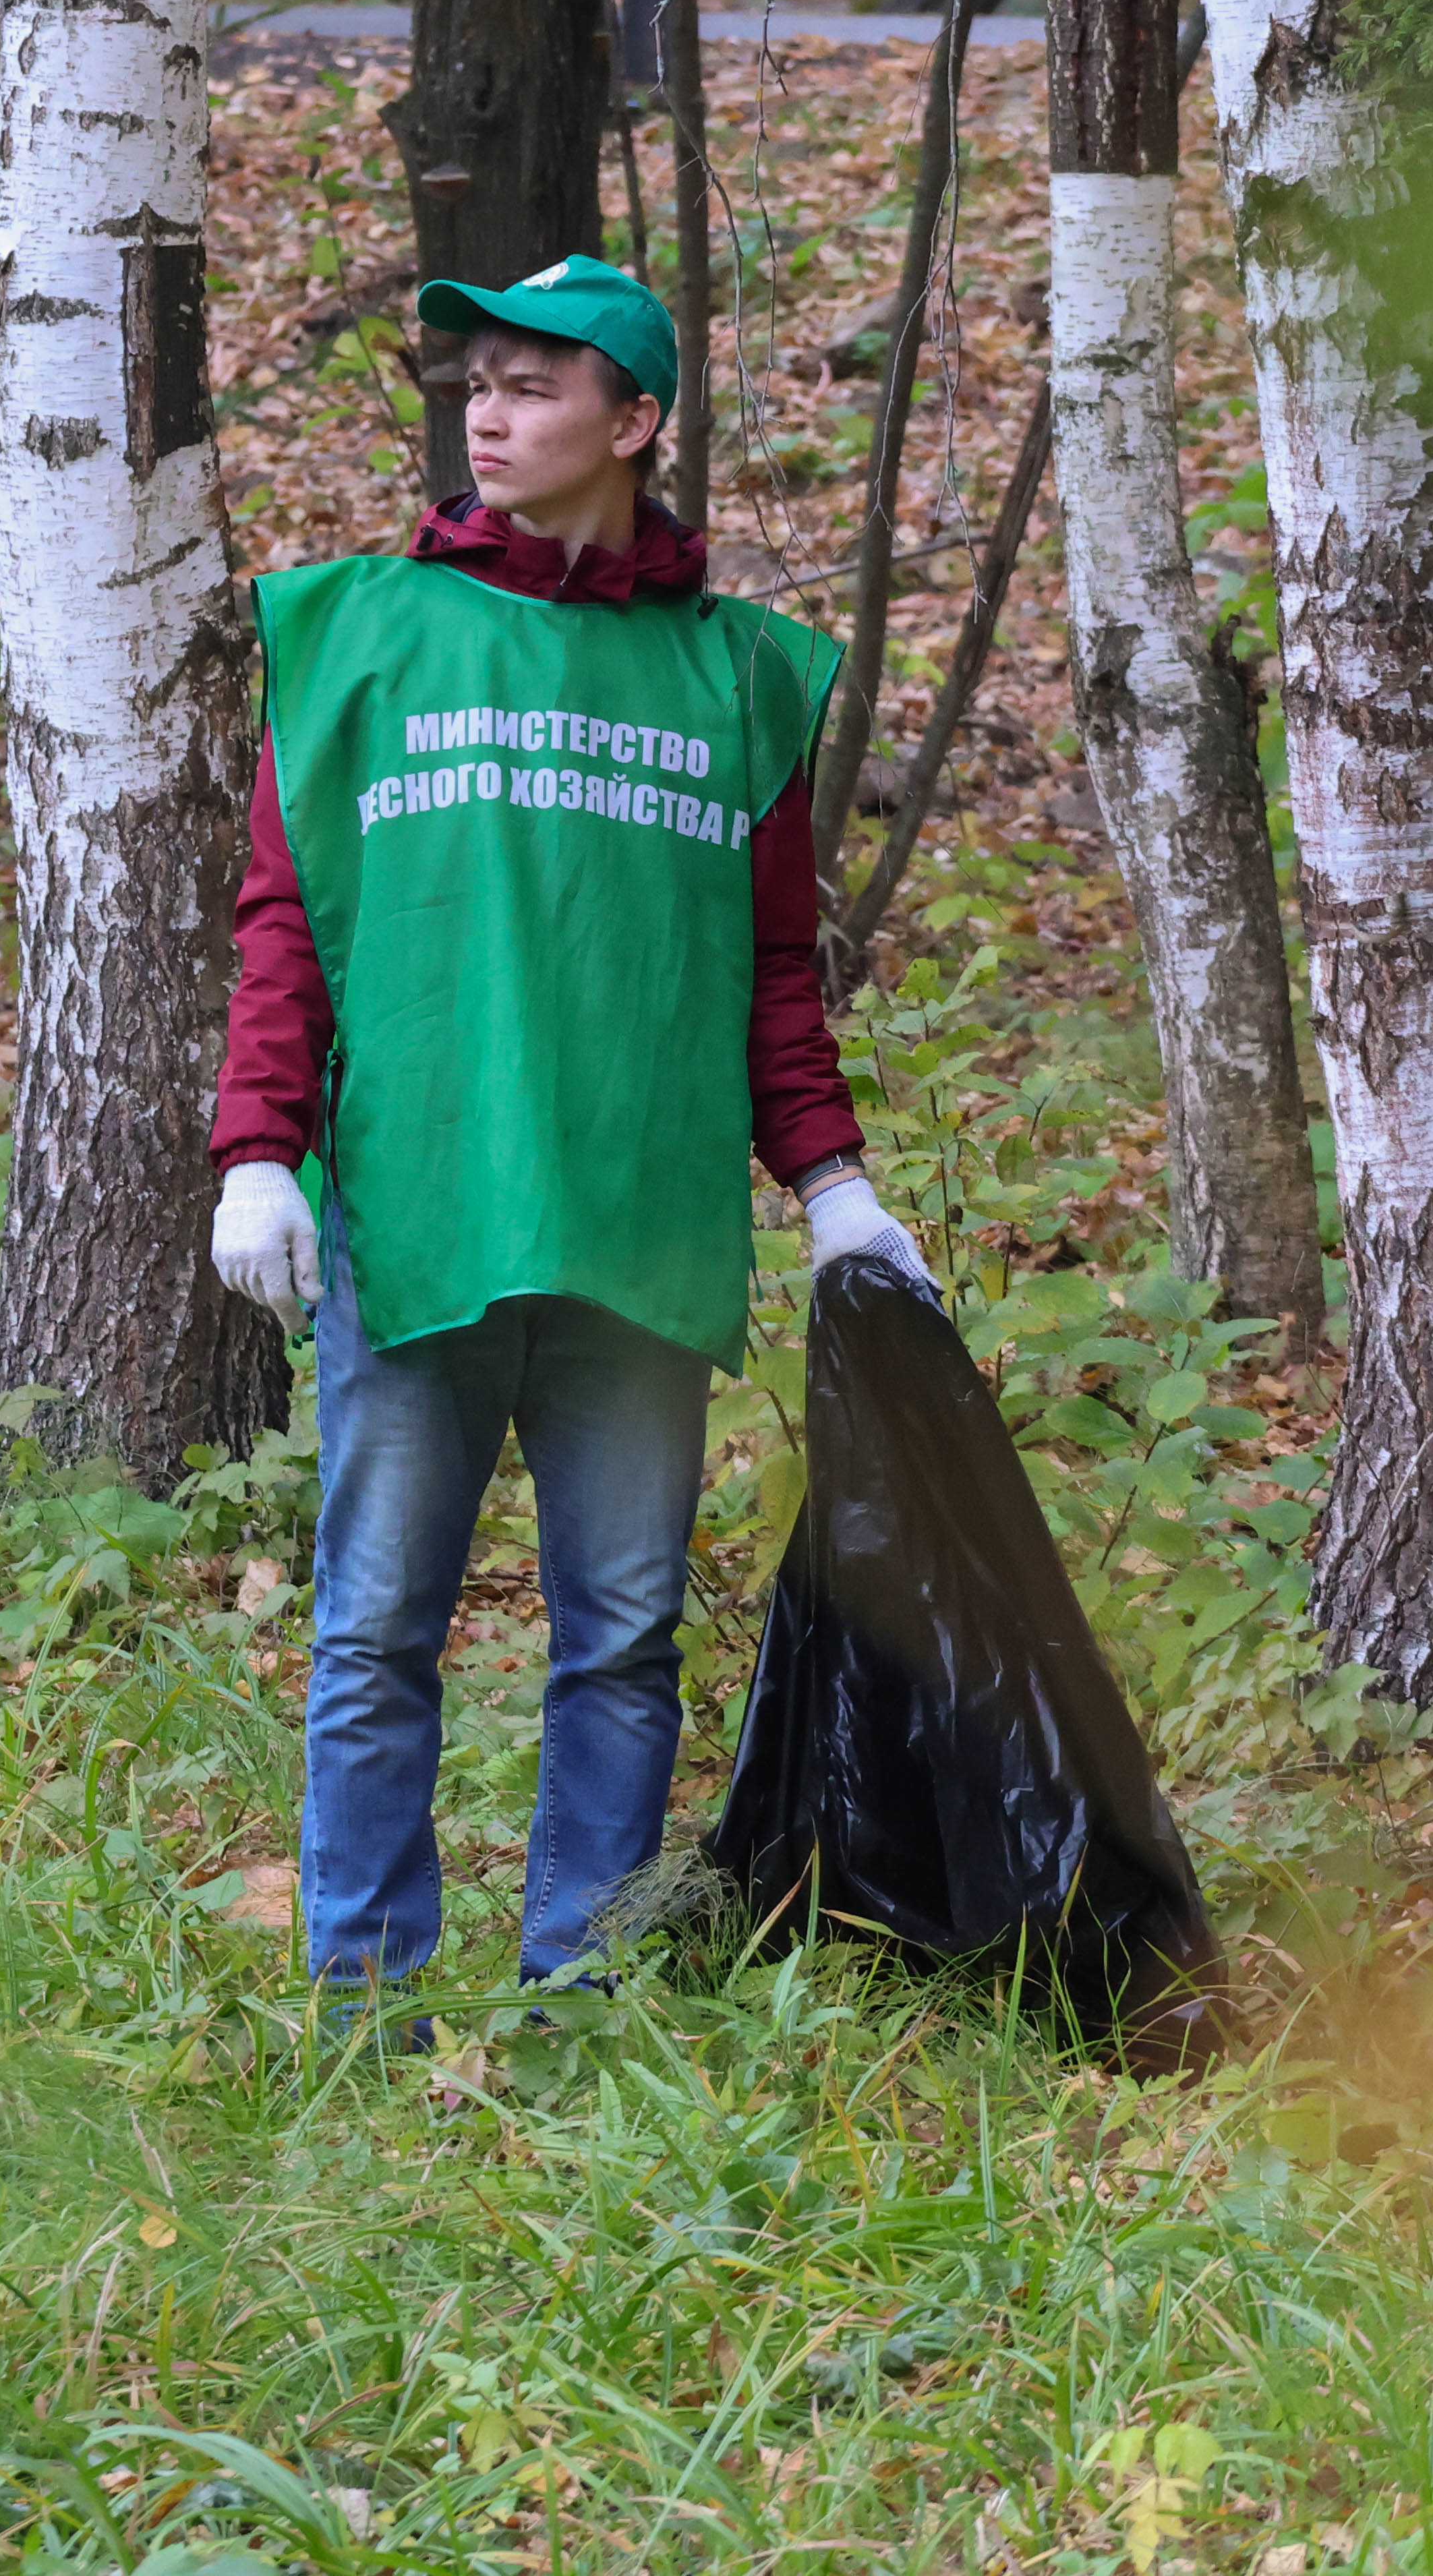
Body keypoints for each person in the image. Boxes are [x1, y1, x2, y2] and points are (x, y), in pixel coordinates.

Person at [206, 252, 932, 2001]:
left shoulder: (732, 678)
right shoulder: (360, 636)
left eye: (538, 384)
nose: (492, 410)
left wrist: (832, 1186)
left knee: (622, 1643)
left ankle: (583, 1996)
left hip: (638, 1227)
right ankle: (364, 1998)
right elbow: (289, 925)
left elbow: (770, 972)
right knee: (378, 1633)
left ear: (634, 421)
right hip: (423, 1215)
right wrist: (255, 1151)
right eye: (481, 381)